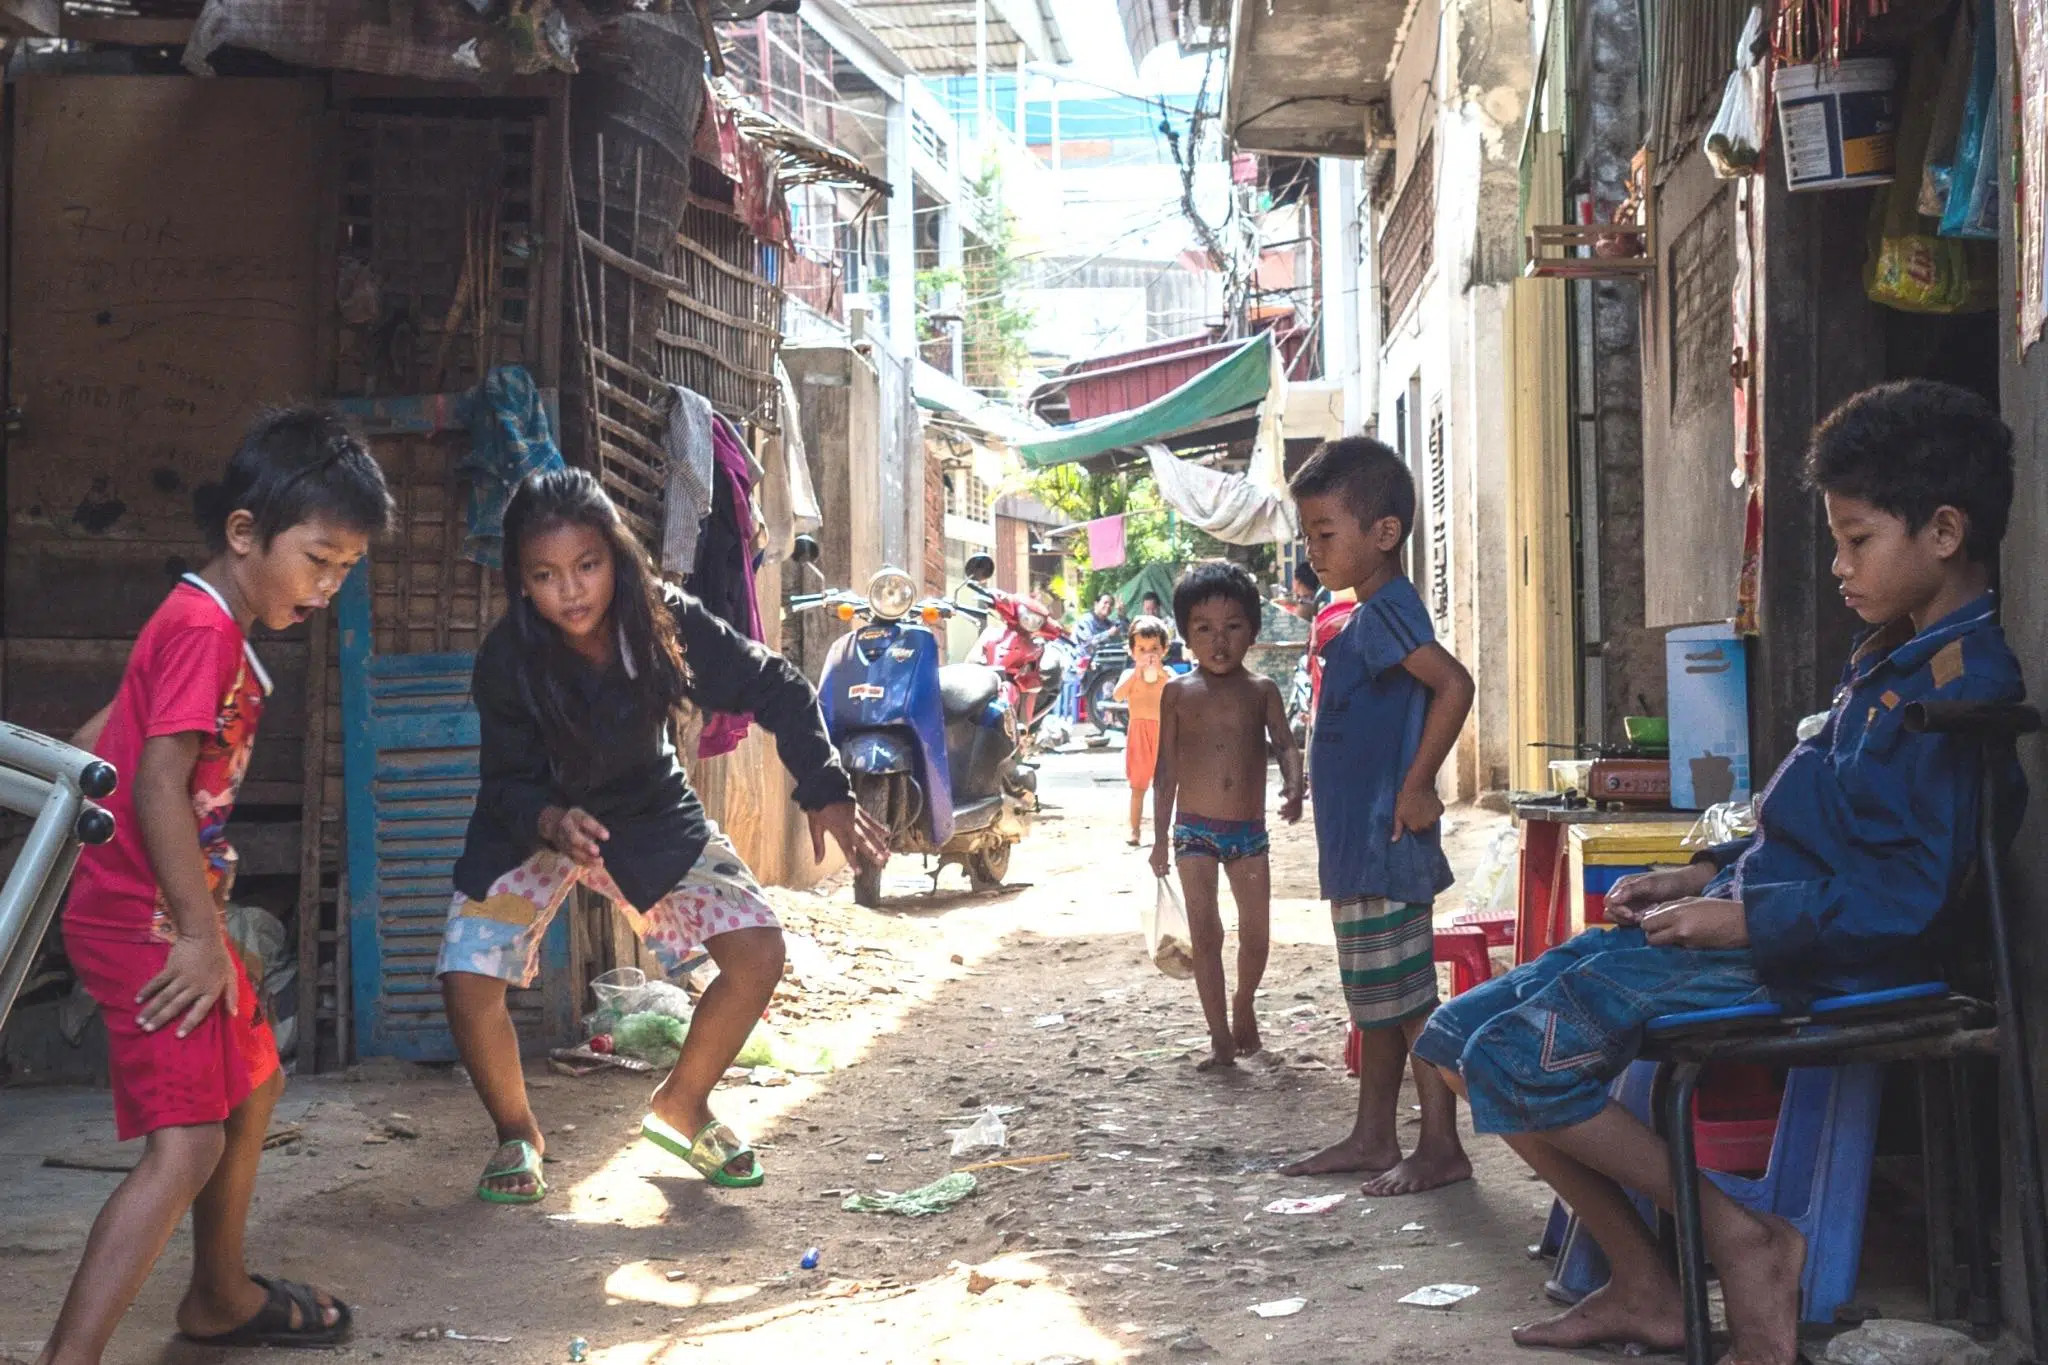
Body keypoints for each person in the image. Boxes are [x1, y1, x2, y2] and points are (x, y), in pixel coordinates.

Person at [1411, 380, 2024, 1363]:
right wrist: (1705, 877)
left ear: (1943, 531)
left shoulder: (1954, 692)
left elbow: (1900, 898)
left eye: (1856, 540)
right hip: (1764, 926)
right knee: (1452, 1035)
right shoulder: (1884, 663)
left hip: (1815, 958)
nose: (1836, 566)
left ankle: (1741, 1243)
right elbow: (1817, 825)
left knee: (1511, 1057)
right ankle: (1646, 1283)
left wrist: (1745, 921)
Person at [41, 409, 393, 1362]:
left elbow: (110, 732)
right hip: (150, 922)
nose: (326, 588)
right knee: (187, 1144)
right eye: (318, 561)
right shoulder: (203, 625)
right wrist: (199, 937)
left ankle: (219, 1293)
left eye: (344, 570)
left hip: (168, 905)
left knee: (256, 1079)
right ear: (246, 533)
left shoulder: (203, 618)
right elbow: (155, 777)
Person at [440, 469, 886, 1202]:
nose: (572, 590)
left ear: (615, 555)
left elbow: (775, 683)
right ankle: (517, 1135)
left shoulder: (662, 621)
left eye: (587, 565)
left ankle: (683, 1103)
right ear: (521, 582)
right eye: (547, 575)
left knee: (758, 951)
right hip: (531, 826)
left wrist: (826, 787)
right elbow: (506, 782)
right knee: (465, 975)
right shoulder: (507, 658)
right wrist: (550, 819)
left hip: (646, 811)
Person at [1281, 436, 1475, 1197]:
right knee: (1378, 1000)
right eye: (1309, 535)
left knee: (1408, 1003)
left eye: (1326, 534)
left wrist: (1420, 782)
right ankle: (1373, 1133)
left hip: (1387, 838)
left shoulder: (1391, 612)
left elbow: (1455, 684)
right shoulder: (1362, 615)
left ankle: (1439, 1144)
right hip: (1358, 845)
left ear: (1383, 533)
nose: (1314, 550)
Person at [1149, 562, 1304, 1071]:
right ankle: (1218, 1037)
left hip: (1248, 836)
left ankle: (1243, 1004)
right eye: (1204, 629)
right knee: (1206, 934)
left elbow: (1285, 745)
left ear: (1253, 631)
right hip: (1193, 832)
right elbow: (1165, 769)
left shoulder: (1261, 690)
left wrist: (1294, 786)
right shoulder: (1177, 693)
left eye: (1232, 627)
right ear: (1186, 636)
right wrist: (1157, 839)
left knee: (1256, 934)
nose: (1219, 641)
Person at [1114, 616, 1173, 846]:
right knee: (1137, 786)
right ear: (1132, 652)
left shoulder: (1166, 673)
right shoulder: (1130, 675)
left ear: (1164, 650)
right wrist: (1136, 673)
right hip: (1139, 733)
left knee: (1164, 786)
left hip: (1164, 733)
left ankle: (1162, 832)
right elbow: (1118, 695)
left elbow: (1179, 690)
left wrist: (1161, 673)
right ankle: (1135, 830)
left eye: (1154, 649)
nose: (1148, 654)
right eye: (1141, 649)